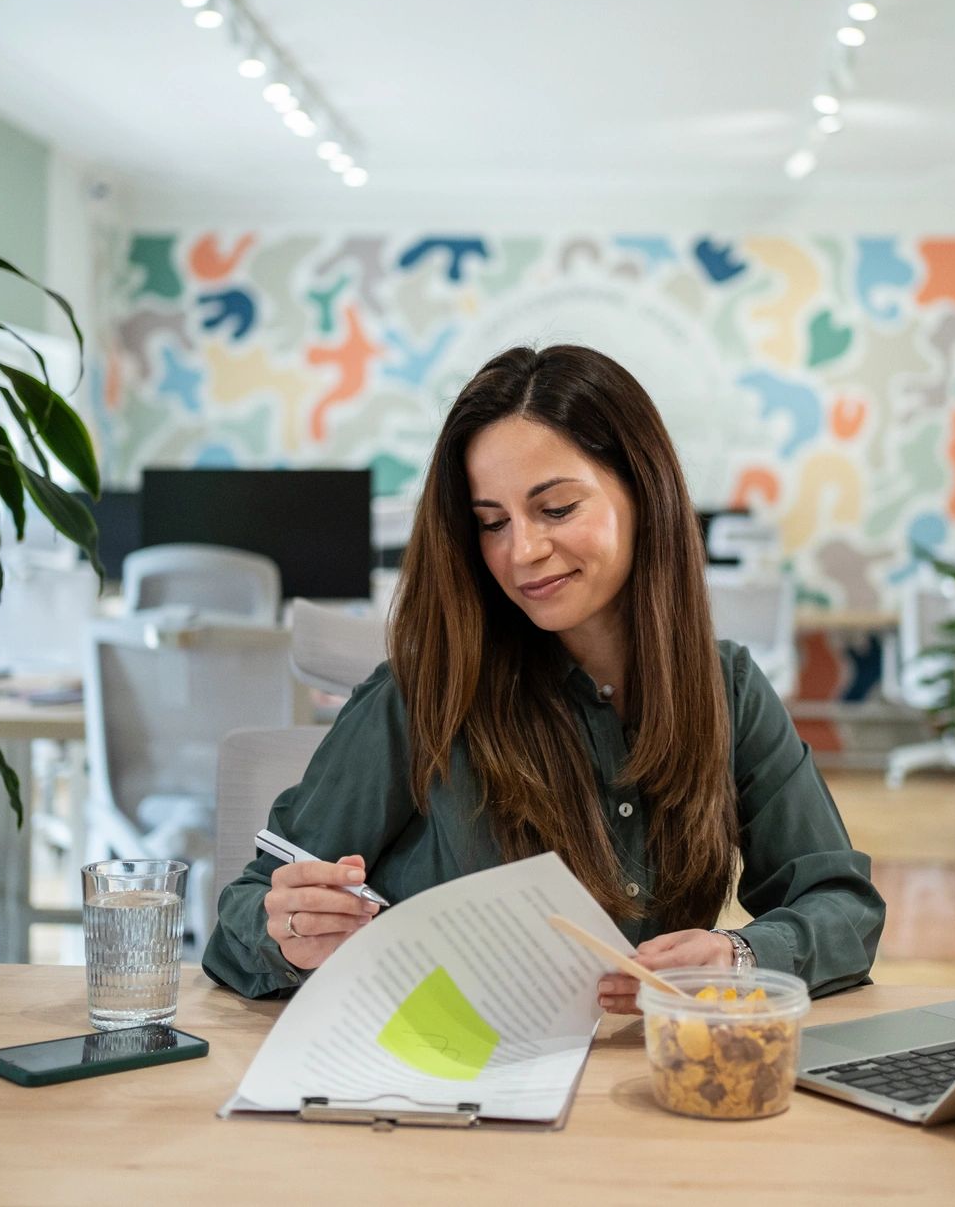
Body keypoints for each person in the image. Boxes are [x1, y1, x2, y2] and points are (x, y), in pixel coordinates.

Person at [201, 345, 885, 1010]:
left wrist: (738, 957)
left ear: (644, 493)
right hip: (452, 1072)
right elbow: (243, 920)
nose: (521, 551)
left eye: (556, 509)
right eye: (491, 523)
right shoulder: (423, 697)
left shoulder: (725, 688)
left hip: (645, 1072)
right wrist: (289, 933)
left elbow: (841, 907)